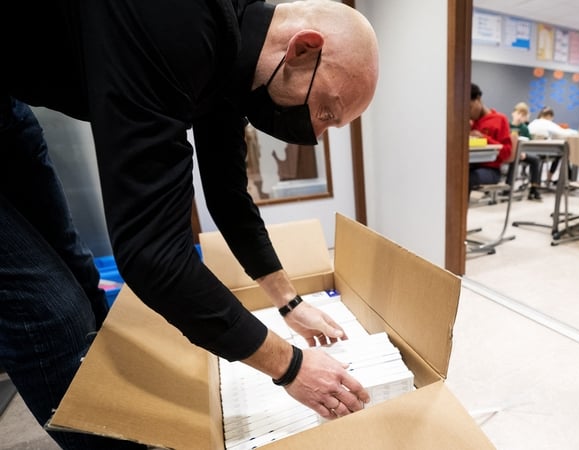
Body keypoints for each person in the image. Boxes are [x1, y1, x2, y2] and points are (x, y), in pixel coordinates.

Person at [0, 1, 379, 448]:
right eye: (327, 111)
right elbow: (152, 256)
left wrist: (288, 303)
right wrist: (290, 367)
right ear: (302, 49)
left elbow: (228, 195)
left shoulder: (232, 50)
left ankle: (123, 411)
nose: (315, 134)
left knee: (80, 274)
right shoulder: (175, 20)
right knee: (51, 311)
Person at [469, 83, 513, 192]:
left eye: (469, 108)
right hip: (470, 166)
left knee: (466, 179)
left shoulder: (500, 119)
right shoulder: (470, 123)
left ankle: (462, 209)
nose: (467, 113)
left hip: (491, 170)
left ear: (478, 99)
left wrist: (484, 138)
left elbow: (507, 152)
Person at [528, 106, 579, 186]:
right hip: (544, 153)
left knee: (559, 154)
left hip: (530, 152)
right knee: (562, 154)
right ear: (549, 116)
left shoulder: (532, 123)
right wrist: (576, 132)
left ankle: (549, 178)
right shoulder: (548, 123)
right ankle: (566, 180)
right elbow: (563, 133)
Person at [506, 102, 542, 200]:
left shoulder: (524, 128)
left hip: (521, 153)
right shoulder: (506, 126)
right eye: (518, 113)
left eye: (523, 115)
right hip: (509, 153)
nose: (520, 116)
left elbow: (528, 143)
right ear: (513, 113)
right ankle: (508, 187)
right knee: (514, 159)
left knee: (535, 160)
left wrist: (523, 152)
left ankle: (534, 188)